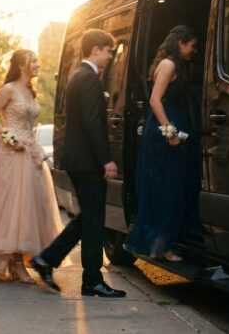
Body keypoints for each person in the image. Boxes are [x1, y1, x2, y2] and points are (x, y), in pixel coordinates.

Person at [30, 29, 126, 298]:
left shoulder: (78, 76)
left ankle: (49, 260)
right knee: (93, 220)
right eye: (108, 51)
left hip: (78, 159)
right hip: (86, 162)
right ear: (96, 49)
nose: (110, 56)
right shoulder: (89, 79)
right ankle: (91, 280)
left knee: (88, 217)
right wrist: (106, 159)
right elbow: (93, 123)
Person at [0, 49, 64, 283]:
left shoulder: (29, 91)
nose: (37, 64)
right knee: (15, 206)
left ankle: (22, 260)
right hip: (12, 152)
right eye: (33, 61)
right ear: (21, 65)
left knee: (31, 206)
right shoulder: (9, 89)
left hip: (31, 152)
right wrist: (10, 138)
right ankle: (15, 264)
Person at [124, 25, 201, 262]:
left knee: (173, 188)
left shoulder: (174, 65)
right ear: (181, 44)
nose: (194, 51)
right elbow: (155, 100)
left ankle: (163, 243)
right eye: (192, 46)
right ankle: (162, 245)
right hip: (164, 134)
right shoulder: (168, 65)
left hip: (169, 130)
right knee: (169, 189)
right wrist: (170, 132)